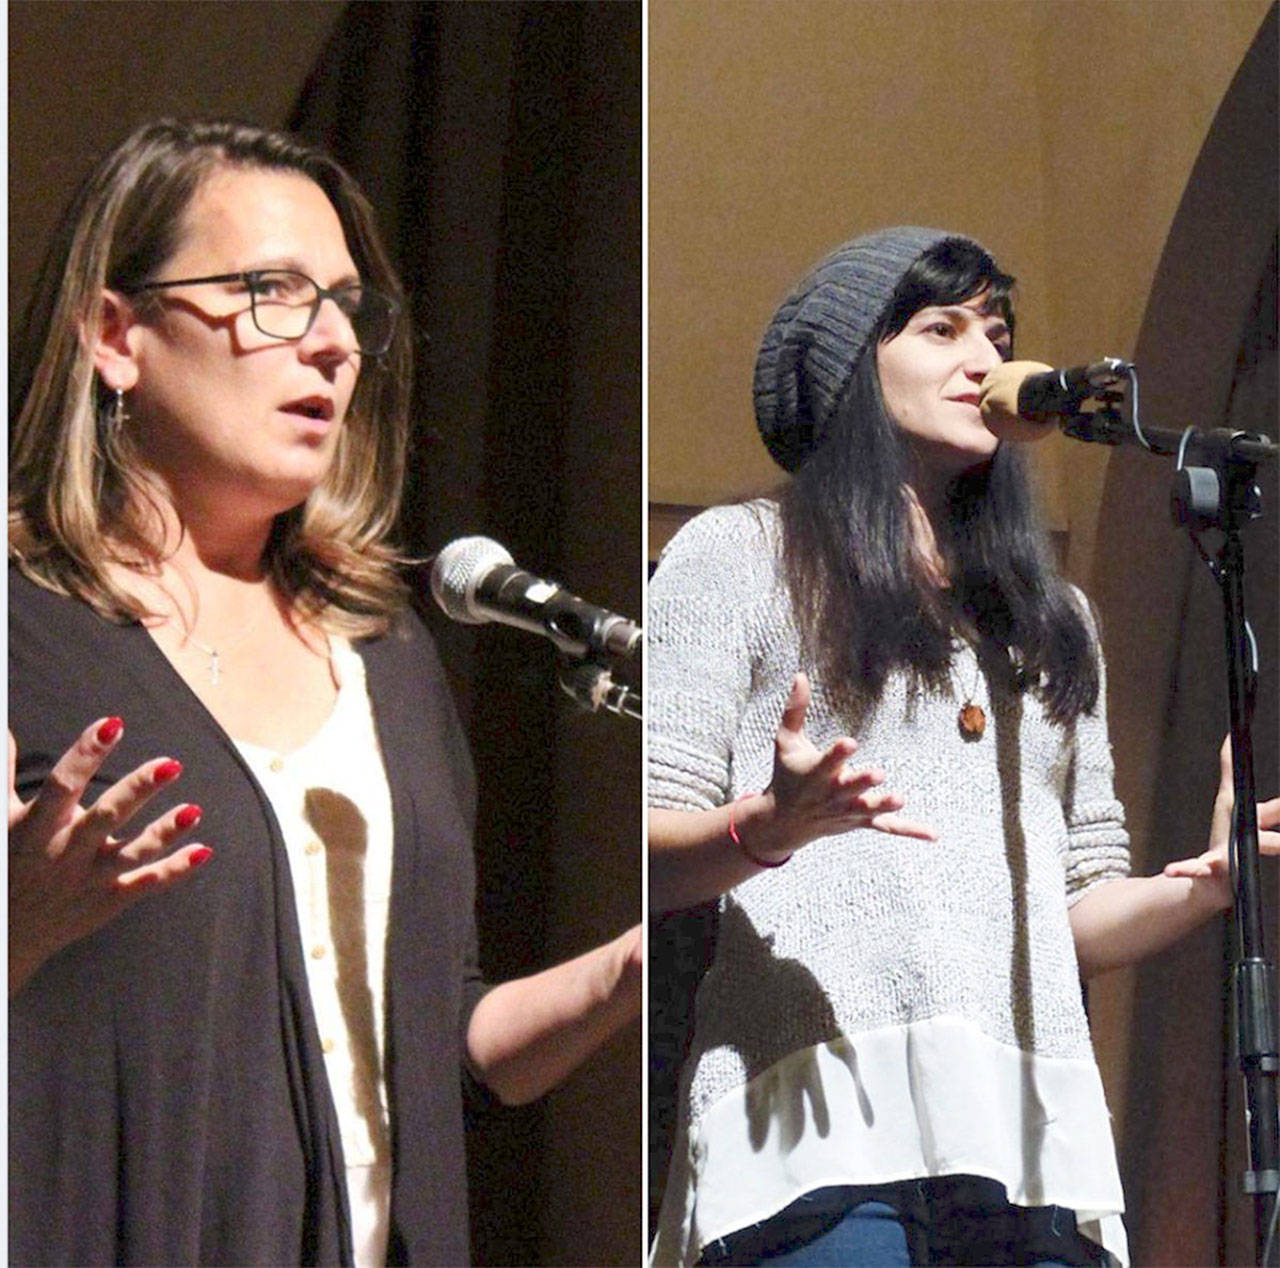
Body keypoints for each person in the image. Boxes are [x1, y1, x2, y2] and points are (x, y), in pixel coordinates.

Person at [8, 118, 640, 1267]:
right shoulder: (21, 632)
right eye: (272, 291)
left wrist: (634, 964)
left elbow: (439, 1039)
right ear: (115, 335)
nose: (334, 344)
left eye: (349, 305)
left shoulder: (383, 648)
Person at [647, 226, 1279, 1267]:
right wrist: (767, 826)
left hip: (1022, 1131)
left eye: (995, 329)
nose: (984, 357)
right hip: (814, 1118)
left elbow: (1071, 909)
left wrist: (1202, 887)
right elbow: (645, 848)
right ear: (851, 364)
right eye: (940, 327)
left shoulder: (1050, 618)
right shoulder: (739, 555)